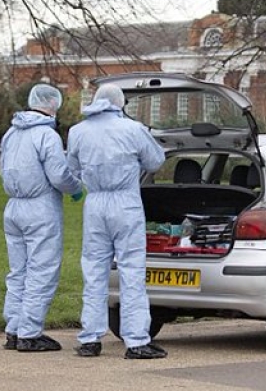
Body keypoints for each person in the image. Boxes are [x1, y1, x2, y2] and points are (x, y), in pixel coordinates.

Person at [67, 84, 167, 360]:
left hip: (95, 203)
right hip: (125, 202)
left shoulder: (78, 131)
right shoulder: (133, 129)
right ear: (120, 103)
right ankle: (136, 341)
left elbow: (72, 167)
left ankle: (90, 338)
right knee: (131, 270)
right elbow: (156, 161)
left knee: (93, 271)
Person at [0, 84, 84, 352]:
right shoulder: (47, 135)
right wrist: (76, 187)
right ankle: (30, 332)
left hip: (13, 207)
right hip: (40, 207)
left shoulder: (11, 133)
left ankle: (13, 329)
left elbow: (4, 168)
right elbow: (58, 175)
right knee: (42, 270)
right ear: (53, 105)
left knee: (18, 271)